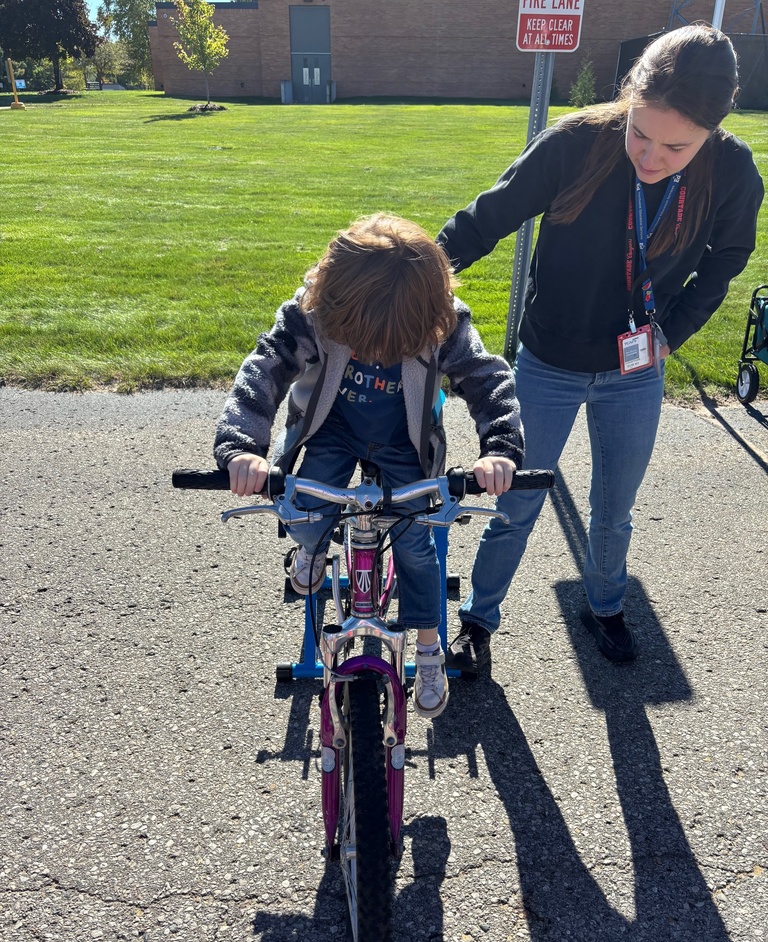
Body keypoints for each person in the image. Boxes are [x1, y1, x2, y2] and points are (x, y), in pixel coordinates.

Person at [437, 24, 764, 674]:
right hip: (549, 363)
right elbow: (488, 218)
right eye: (640, 132)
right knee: (515, 501)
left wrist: (671, 334)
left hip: (634, 371)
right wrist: (411, 282)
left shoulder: (731, 173)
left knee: (614, 510)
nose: (650, 155)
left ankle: (605, 606)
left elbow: (729, 259)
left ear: (713, 129)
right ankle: (478, 621)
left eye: (676, 146)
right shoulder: (577, 144)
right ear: (630, 96)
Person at [213, 213, 524, 717]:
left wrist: (500, 451)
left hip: (404, 440)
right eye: (363, 341)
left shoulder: (442, 318)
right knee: (304, 508)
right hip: (332, 429)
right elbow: (265, 369)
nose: (378, 352)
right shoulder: (313, 310)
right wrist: (243, 447)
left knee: (417, 547)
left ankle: (427, 650)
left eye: (393, 344)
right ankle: (310, 552)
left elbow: (488, 380)